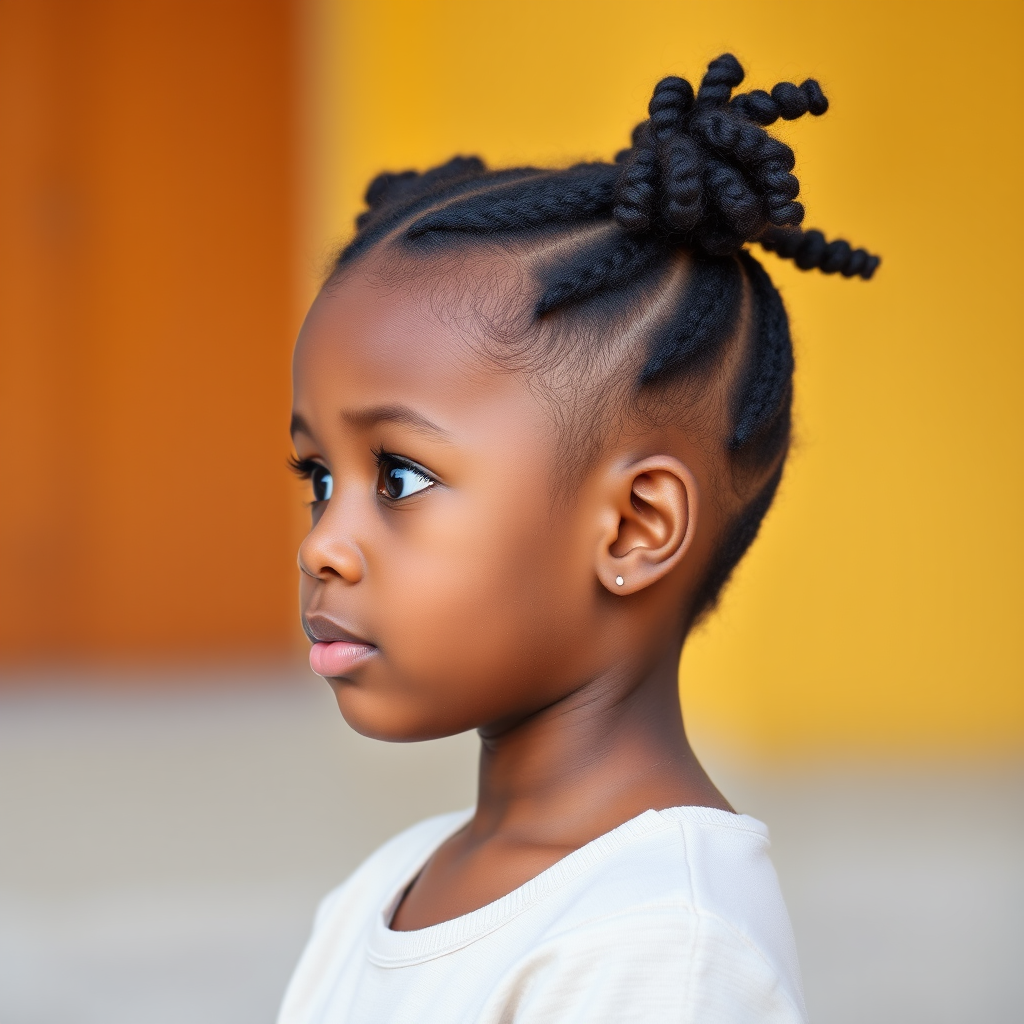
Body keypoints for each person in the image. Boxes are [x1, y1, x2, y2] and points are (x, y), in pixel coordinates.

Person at [278, 53, 878, 1024]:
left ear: (635, 527)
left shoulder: (660, 952)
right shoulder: (391, 884)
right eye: (319, 479)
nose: (324, 547)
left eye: (399, 477)